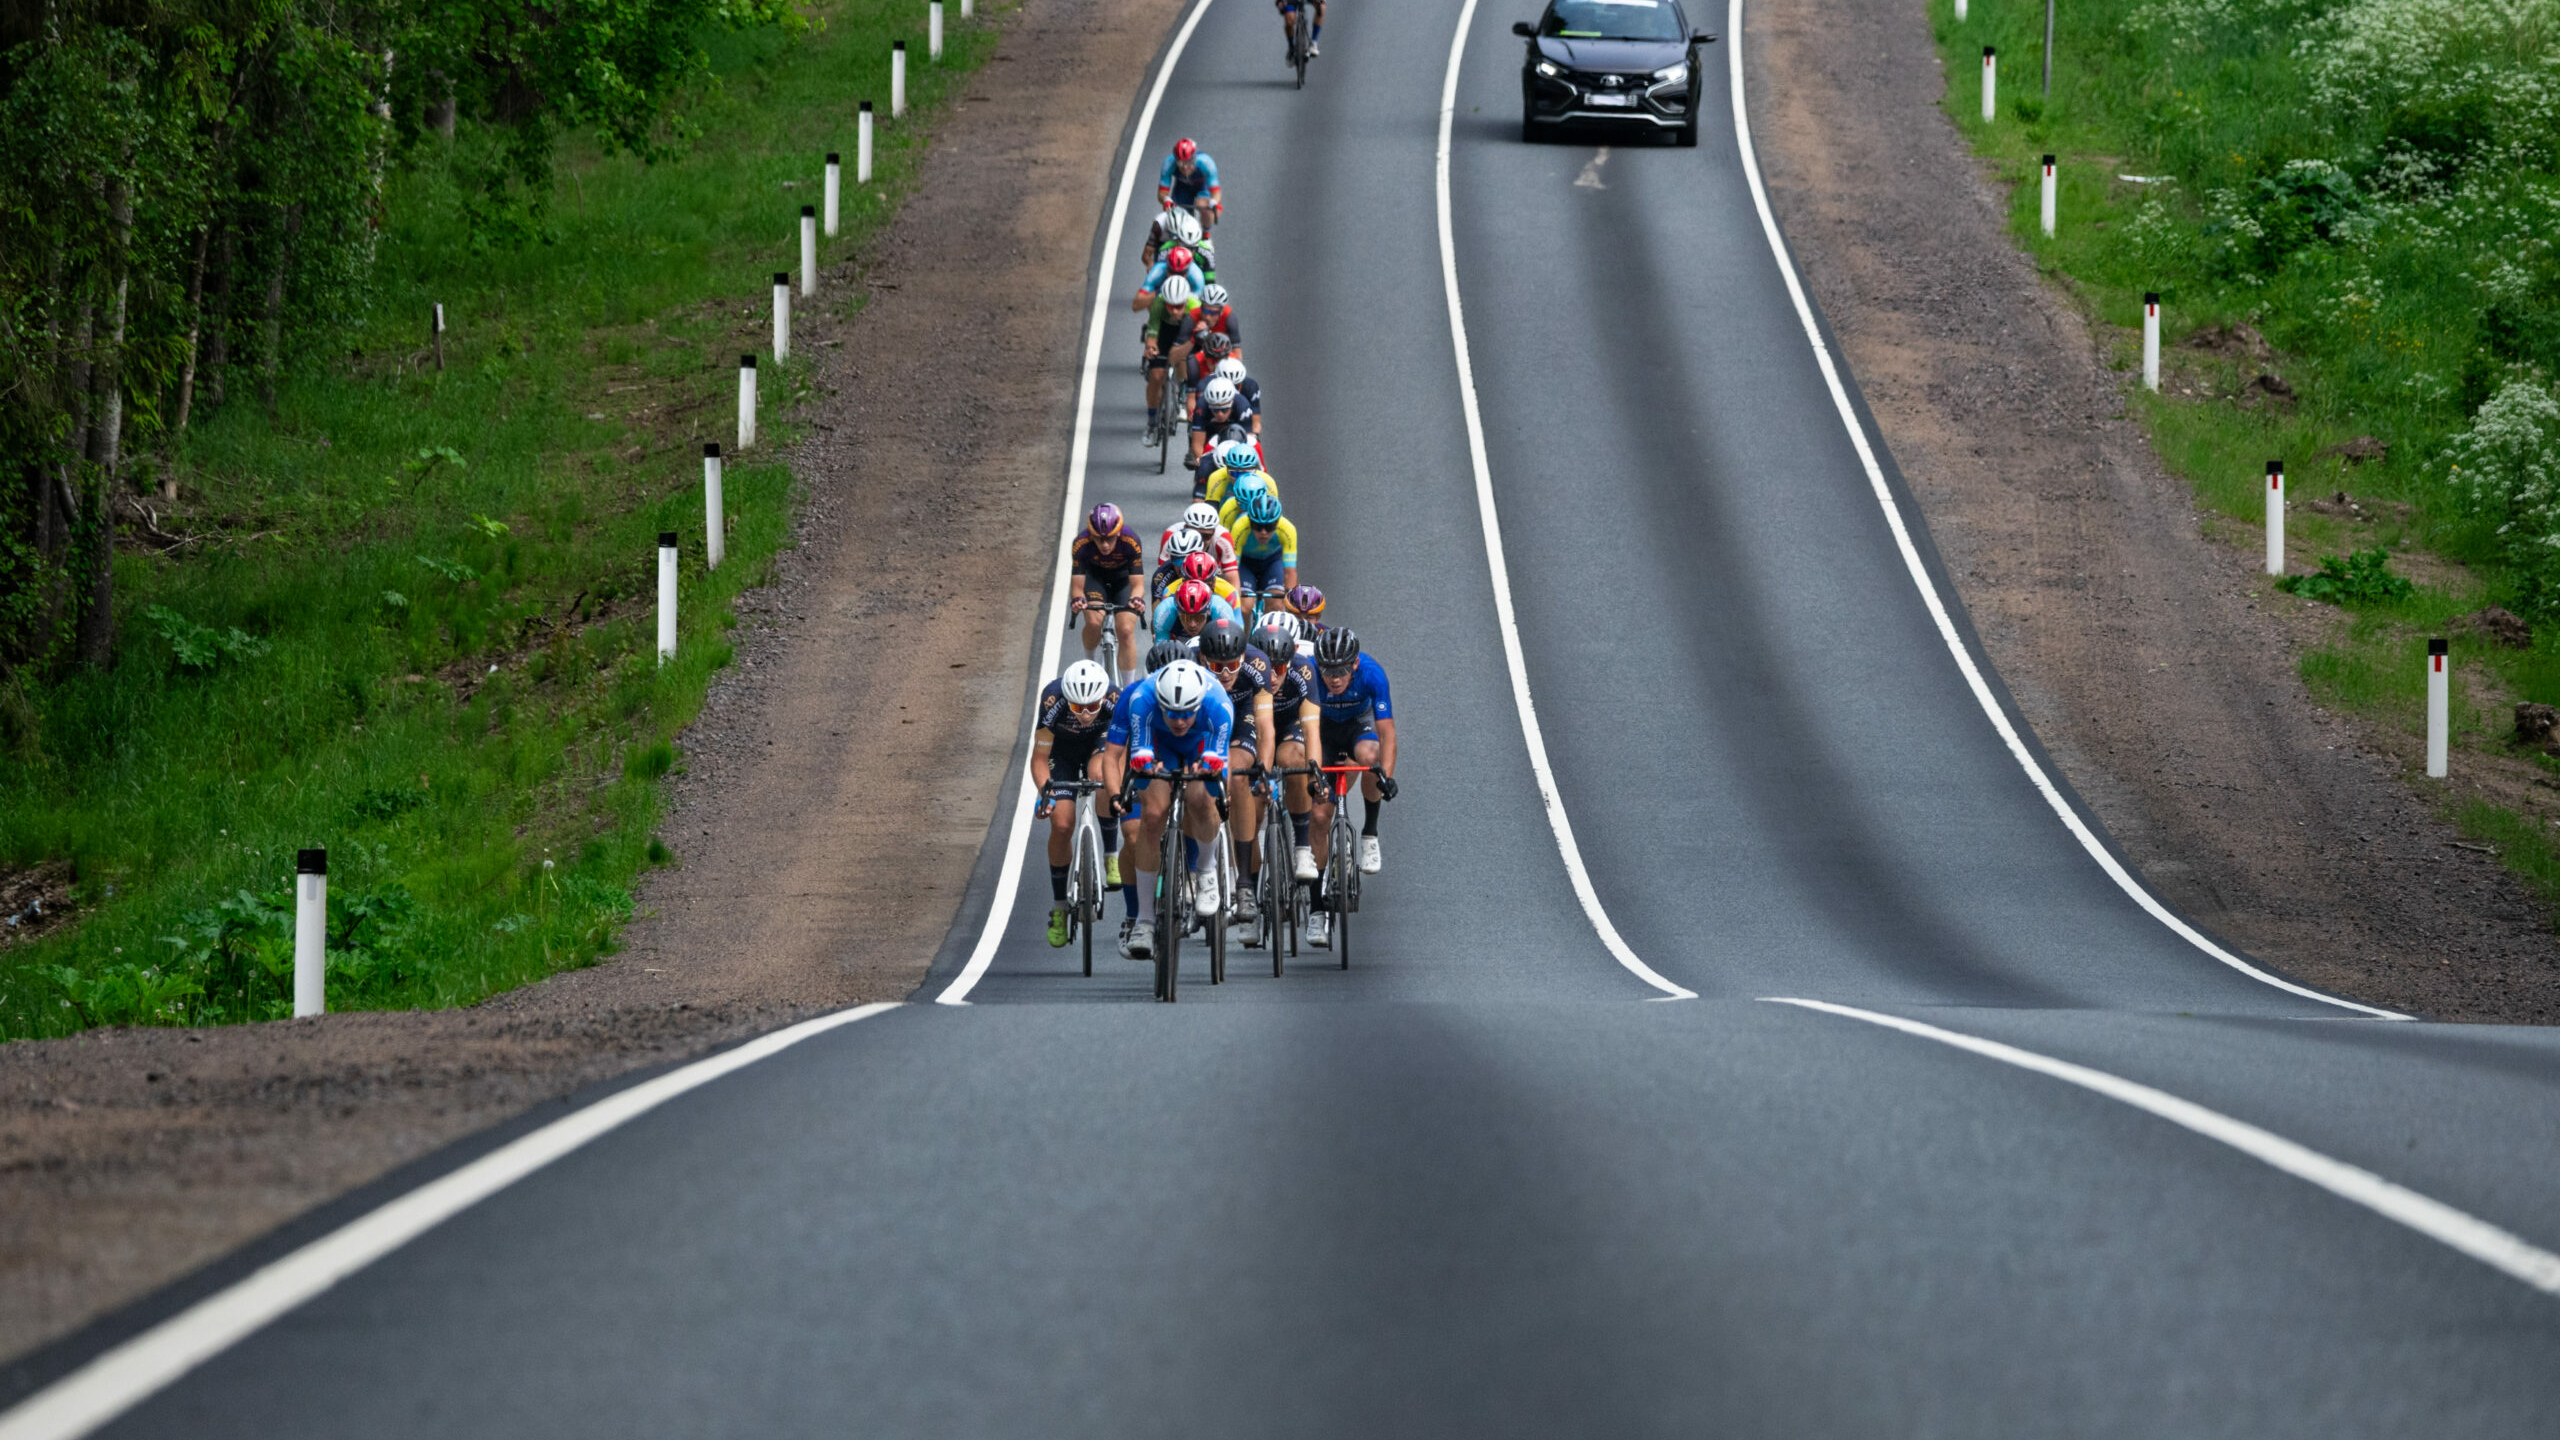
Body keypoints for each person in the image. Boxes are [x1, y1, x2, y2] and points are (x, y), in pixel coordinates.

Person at [1105, 658, 1236, 954]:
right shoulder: (1142, 700)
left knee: (1202, 798)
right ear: (1160, 703)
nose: (1179, 721)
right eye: (1172, 713)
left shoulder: (1219, 704)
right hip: (1158, 743)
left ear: (1199, 705)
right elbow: (1138, 757)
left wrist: (1210, 777)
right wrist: (1139, 773)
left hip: (1201, 743)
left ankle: (1206, 871)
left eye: (1187, 713)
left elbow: (1220, 767)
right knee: (1151, 815)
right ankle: (1145, 921)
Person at [1306, 627, 1396, 944]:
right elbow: (1307, 731)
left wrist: (1386, 775)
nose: (1334, 677)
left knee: (1372, 758)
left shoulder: (1373, 675)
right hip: (1324, 733)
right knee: (1318, 817)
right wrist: (1313, 773)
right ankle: (1317, 910)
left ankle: (1370, 832)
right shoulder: (1310, 676)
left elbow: (1387, 734)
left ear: (1354, 664)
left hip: (1361, 726)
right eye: (1328, 670)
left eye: (1342, 670)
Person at [1031, 660, 1130, 947]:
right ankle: (1060, 905)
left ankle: (1111, 855)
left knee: (1101, 776)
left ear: (1102, 697)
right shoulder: (1052, 700)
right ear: (1067, 702)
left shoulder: (1114, 699)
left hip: (1100, 744)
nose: (1085, 714)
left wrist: (1119, 789)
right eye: (1077, 708)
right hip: (1059, 753)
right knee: (1061, 825)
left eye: (1091, 707)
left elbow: (1122, 752)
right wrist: (1045, 793)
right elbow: (1039, 759)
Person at [1194, 617, 1277, 924]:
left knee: (1238, 771)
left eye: (1232, 665)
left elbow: (1266, 727)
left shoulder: (1258, 664)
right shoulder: (1190, 665)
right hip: (1200, 719)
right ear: (1203, 660)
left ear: (1243, 657)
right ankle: (1195, 864)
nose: (1226, 673)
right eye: (1217, 666)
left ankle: (1243, 883)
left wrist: (1264, 770)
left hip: (1242, 719)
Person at [1251, 611, 1325, 881]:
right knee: (1251, 788)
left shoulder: (1303, 670)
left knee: (1295, 760)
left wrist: (1315, 770)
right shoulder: (1246, 668)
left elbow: (1311, 729)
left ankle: (1303, 848)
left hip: (1291, 724)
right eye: (1267, 668)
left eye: (1280, 668)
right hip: (1256, 724)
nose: (1272, 676)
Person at [1070, 503, 1147, 686]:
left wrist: (1136, 600)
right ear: (1091, 535)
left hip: (1123, 581)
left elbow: (1138, 585)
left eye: (1110, 539)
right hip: (1094, 579)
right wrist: (1078, 601)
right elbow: (1077, 587)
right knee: (1094, 621)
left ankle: (1128, 687)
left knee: (1126, 630)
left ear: (1118, 533)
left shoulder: (1131, 541)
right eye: (1098, 539)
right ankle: (1091, 662)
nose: (1105, 545)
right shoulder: (1081, 544)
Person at [1138, 275, 1199, 444]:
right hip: (1164, 335)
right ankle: (1151, 423)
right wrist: (1150, 347)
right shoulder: (1158, 303)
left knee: (1183, 360)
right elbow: (1152, 333)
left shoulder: (1195, 307)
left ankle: (1182, 391)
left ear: (1186, 302)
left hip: (1185, 334)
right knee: (1156, 376)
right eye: (1170, 306)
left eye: (1179, 307)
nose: (1174, 311)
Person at [1228, 490, 1299, 618]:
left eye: (1269, 526)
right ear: (1250, 522)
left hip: (1272, 562)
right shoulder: (1239, 527)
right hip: (1246, 564)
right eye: (1257, 526)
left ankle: (1270, 634)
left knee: (1276, 606)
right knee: (1244, 607)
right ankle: (1243, 637)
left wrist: (1291, 598)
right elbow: (1232, 568)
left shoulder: (1288, 529)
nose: (1263, 532)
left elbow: (1290, 571)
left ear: (1277, 523)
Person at [1153, 576, 1243, 646]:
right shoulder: (1165, 610)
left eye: (1198, 618)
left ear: (1208, 612)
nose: (1193, 624)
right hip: (1176, 642)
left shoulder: (1220, 609)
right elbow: (1161, 649)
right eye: (1186, 618)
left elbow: (1229, 648)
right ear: (1178, 613)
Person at [1186, 378, 1255, 467]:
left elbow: (1249, 443)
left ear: (1231, 403)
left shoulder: (1242, 406)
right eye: (1215, 409)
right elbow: (1197, 444)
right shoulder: (1201, 406)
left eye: (1224, 409)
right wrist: (1203, 463)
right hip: (1209, 432)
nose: (1220, 414)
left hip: (1236, 432)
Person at [1157, 137, 1221, 232]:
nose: (1185, 167)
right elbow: (1162, 193)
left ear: (1194, 158)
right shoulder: (1169, 164)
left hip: (1202, 188)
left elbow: (1216, 192)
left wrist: (1214, 203)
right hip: (1182, 188)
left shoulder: (1206, 163)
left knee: (1204, 207)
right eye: (1181, 163)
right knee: (1175, 215)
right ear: (1176, 160)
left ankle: (1205, 233)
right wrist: (1166, 200)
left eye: (1189, 162)